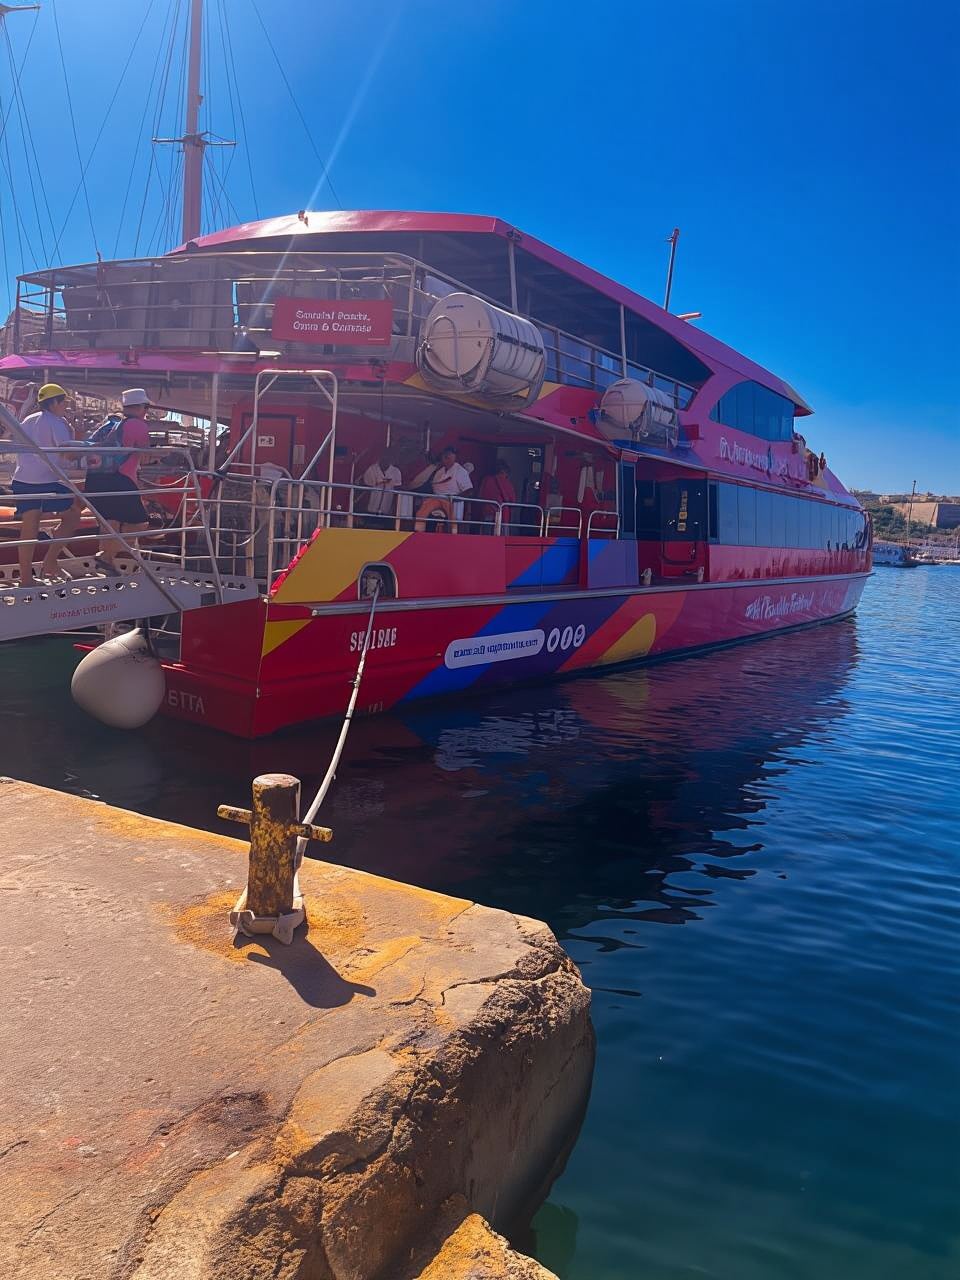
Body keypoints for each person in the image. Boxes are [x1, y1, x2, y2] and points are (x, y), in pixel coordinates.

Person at [10, 383, 83, 586]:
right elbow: (67, 454)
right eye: (64, 402)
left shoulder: (29, 419)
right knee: (73, 514)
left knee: (29, 527)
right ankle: (50, 561)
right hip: (45, 480)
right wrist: (81, 441)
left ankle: (26, 578)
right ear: (54, 403)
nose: (66, 406)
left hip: (23, 479)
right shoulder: (57, 423)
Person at [85, 387, 154, 573]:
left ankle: (106, 562)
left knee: (111, 522)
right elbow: (146, 456)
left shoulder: (112, 424)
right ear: (141, 407)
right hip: (120, 479)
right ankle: (105, 556)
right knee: (139, 523)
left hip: (97, 479)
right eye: (146, 407)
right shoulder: (139, 425)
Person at [413, 445, 472, 533]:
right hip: (436, 498)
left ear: (454, 457)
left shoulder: (460, 471)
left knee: (451, 517)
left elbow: (469, 490)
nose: (447, 457)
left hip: (451, 499)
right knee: (422, 511)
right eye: (445, 455)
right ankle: (419, 532)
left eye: (450, 454)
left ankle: (454, 534)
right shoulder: (439, 471)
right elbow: (432, 486)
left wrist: (456, 498)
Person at [361, 450, 402, 526]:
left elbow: (398, 489)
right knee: (369, 525)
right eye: (384, 456)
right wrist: (378, 482)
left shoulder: (396, 471)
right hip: (372, 505)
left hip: (387, 507)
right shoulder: (372, 469)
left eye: (388, 457)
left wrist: (395, 507)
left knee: (383, 526)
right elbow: (365, 485)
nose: (385, 458)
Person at [478, 460, 516, 534]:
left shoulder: (486, 480)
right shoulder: (507, 483)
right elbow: (512, 501)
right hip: (503, 515)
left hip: (487, 513)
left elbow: (480, 496)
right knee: (502, 537)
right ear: (505, 471)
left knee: (485, 536)